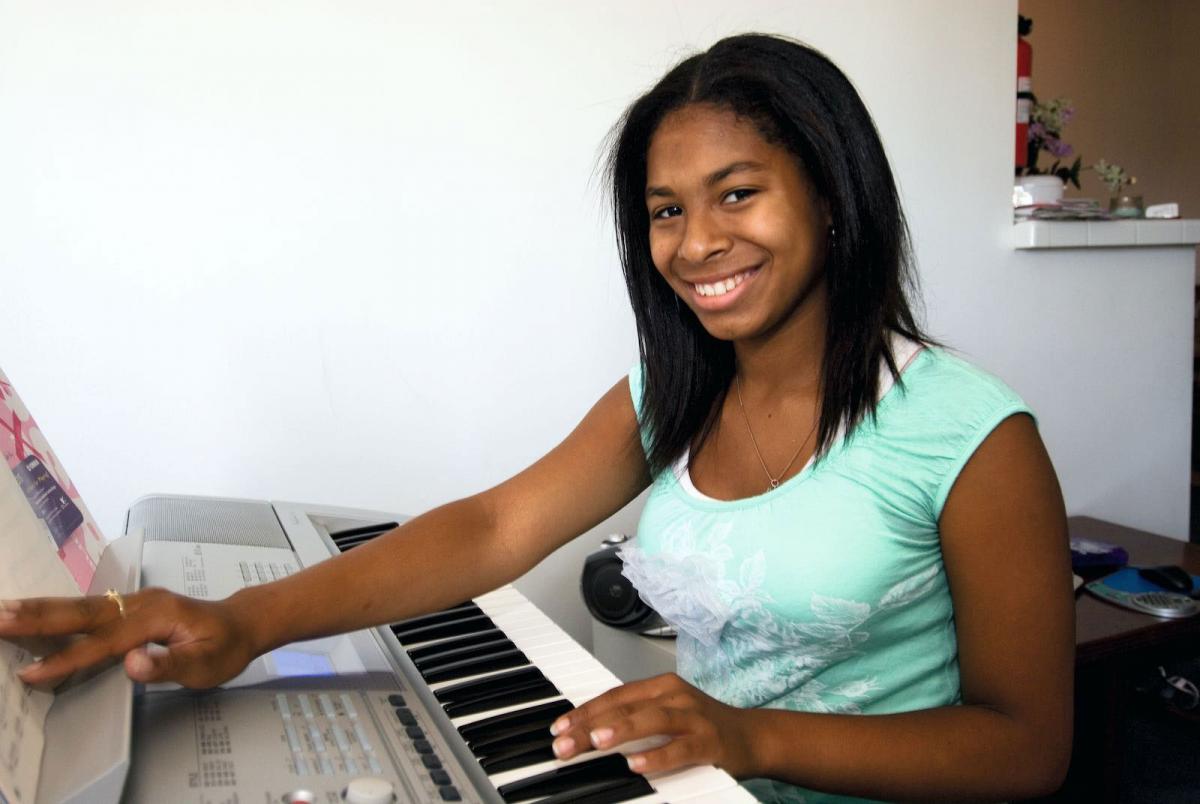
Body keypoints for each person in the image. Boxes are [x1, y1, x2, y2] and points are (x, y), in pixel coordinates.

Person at [0, 33, 1073, 803]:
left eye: (738, 193)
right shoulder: (673, 392)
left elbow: (1027, 747)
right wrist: (247, 624)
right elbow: (492, 529)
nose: (697, 242)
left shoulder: (969, 433)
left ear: (832, 196)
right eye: (666, 210)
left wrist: (750, 737)